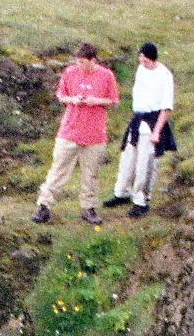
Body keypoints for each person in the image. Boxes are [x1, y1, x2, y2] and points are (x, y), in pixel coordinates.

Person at [33, 41, 119, 226]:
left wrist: (96, 100)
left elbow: (113, 100)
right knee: (58, 169)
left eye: (83, 62)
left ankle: (88, 208)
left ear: (93, 60)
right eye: (78, 62)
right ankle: (44, 205)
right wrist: (73, 99)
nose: (80, 66)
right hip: (69, 131)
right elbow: (61, 95)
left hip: (94, 134)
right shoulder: (70, 72)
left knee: (91, 173)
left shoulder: (106, 76)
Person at [103, 41, 175, 218]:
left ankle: (141, 200)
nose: (142, 62)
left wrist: (157, 131)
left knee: (145, 163)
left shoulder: (165, 75)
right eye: (140, 58)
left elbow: (166, 107)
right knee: (128, 159)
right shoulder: (141, 69)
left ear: (152, 58)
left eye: (145, 59)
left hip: (152, 122)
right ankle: (122, 193)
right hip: (137, 120)